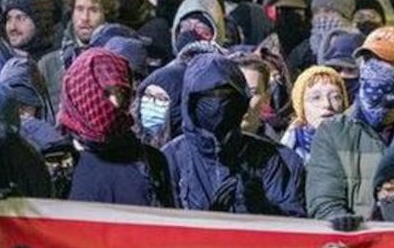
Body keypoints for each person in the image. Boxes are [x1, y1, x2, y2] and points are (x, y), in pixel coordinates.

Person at [307, 27, 394, 223]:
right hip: (358, 244)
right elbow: (324, 200)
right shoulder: (335, 131)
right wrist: (344, 223)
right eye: (367, 60)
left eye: (384, 62)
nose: (373, 69)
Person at [163, 54, 304, 216]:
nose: (218, 103)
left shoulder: (267, 157)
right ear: (192, 101)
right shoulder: (172, 157)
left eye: (226, 95)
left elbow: (294, 221)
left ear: (240, 101)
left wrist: (265, 209)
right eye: (210, 96)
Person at [58, 47, 173, 207]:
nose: (115, 103)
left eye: (121, 93)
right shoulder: (57, 162)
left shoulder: (151, 161)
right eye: (105, 93)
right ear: (79, 93)